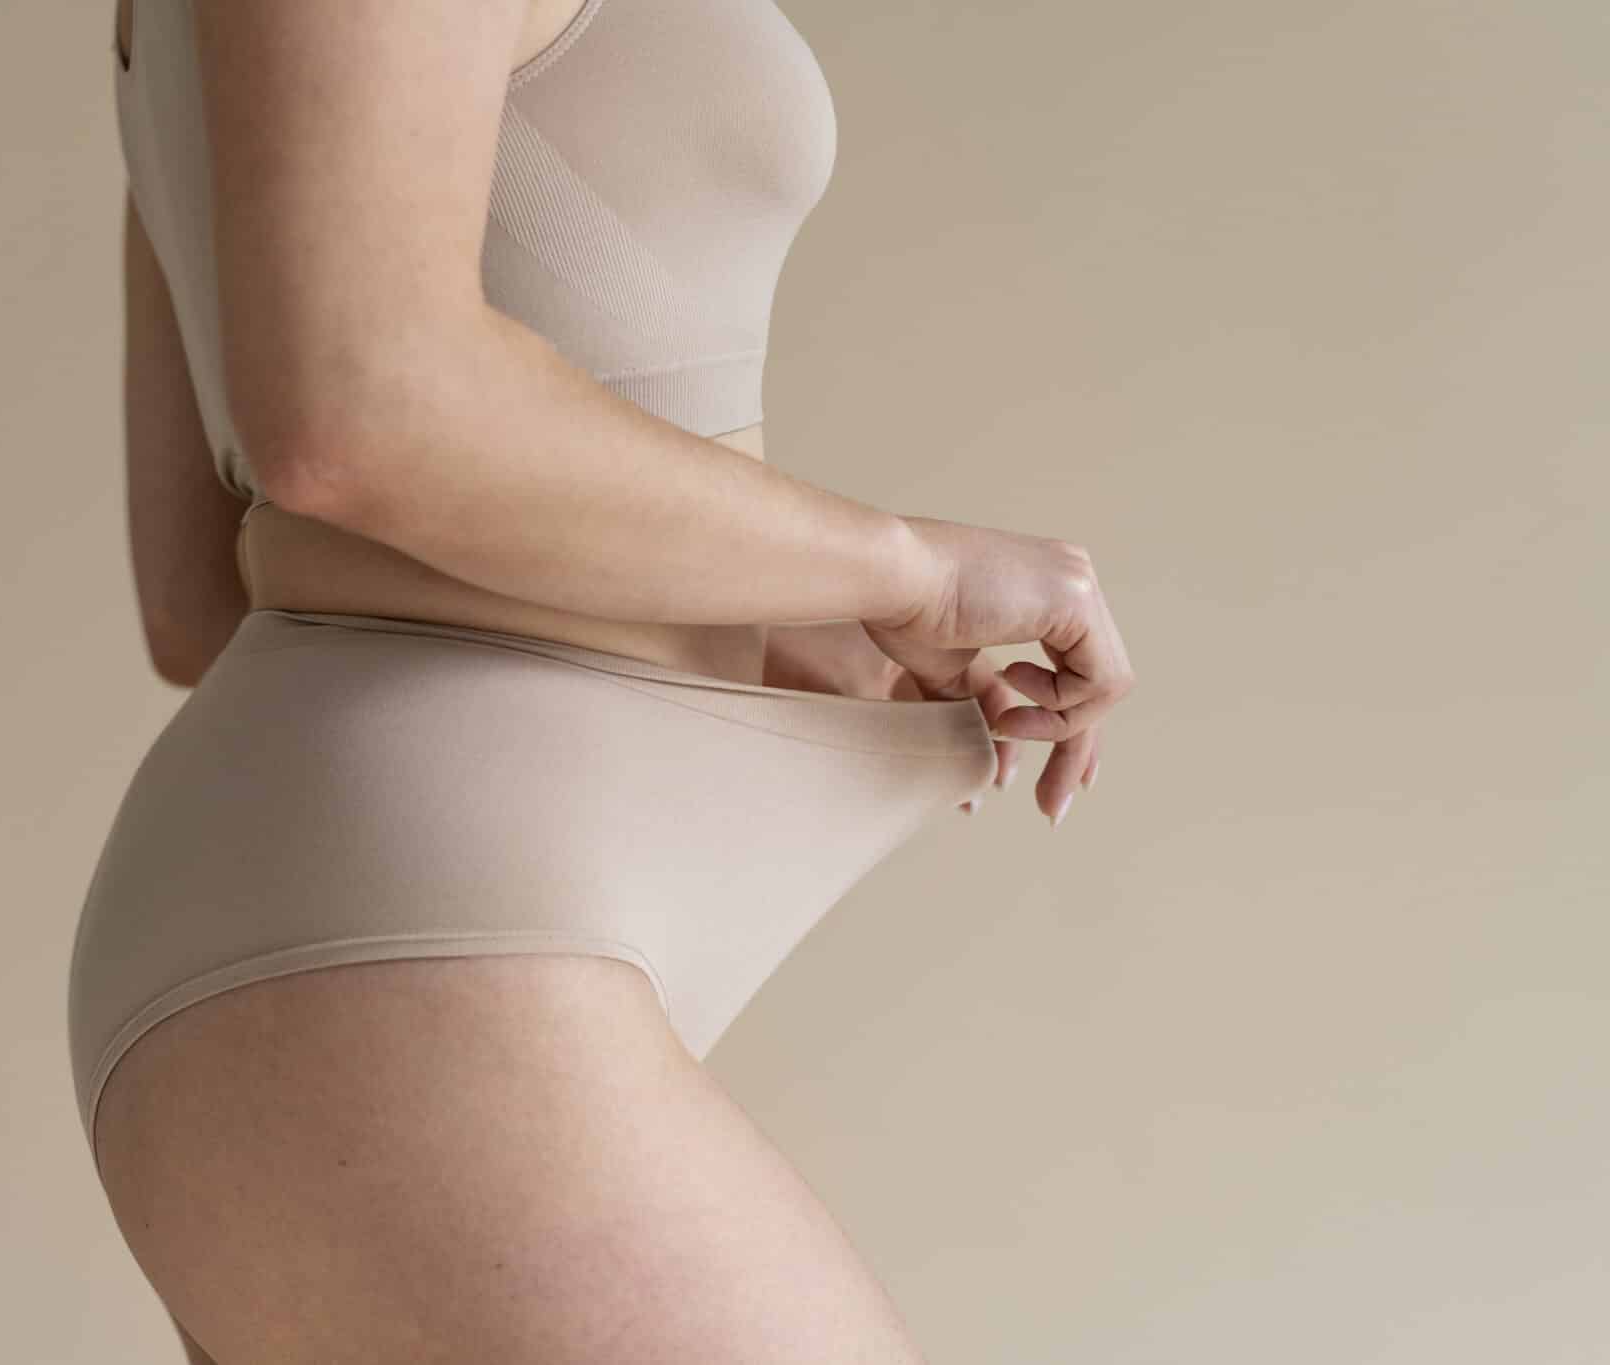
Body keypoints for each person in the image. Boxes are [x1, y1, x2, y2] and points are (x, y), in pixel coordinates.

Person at [68, 1, 1135, 1360]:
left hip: (335, 925)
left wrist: (767, 619)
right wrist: (905, 571)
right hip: (424, 920)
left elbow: (195, 595)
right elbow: (351, 410)